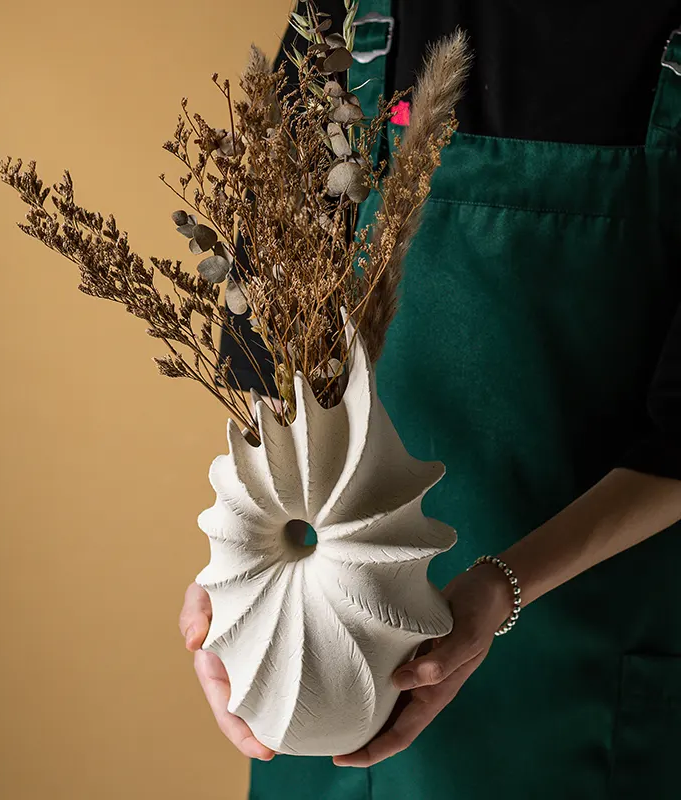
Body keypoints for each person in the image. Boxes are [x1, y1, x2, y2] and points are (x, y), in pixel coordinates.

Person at [179, 1, 681, 797]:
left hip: (575, 687)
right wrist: (244, 572)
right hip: (319, 673)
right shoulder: (354, 12)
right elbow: (263, 331)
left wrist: (499, 589)